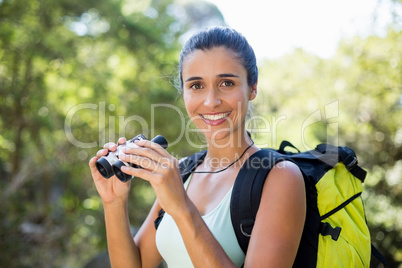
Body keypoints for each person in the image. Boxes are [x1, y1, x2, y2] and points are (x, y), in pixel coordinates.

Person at [89, 26, 306, 268]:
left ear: (252, 88)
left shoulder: (280, 177)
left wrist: (182, 206)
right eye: (196, 86)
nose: (211, 101)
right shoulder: (183, 171)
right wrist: (114, 202)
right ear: (183, 92)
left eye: (226, 83)